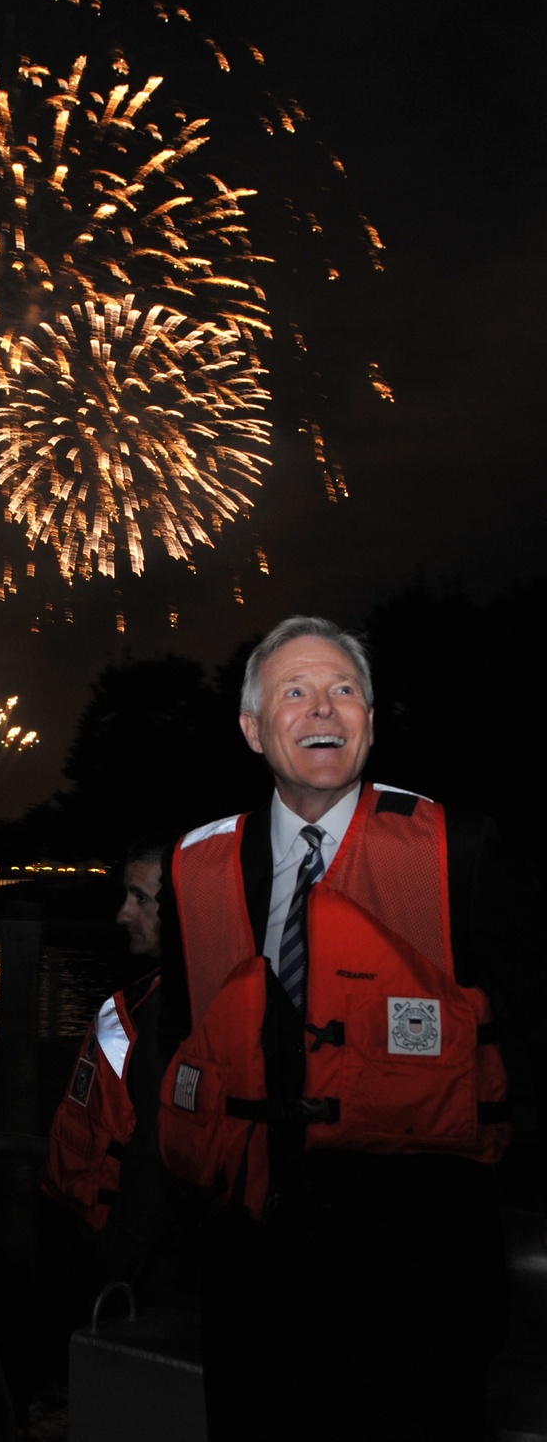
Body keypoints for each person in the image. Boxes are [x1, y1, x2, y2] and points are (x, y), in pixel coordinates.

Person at [159, 616, 546, 1442]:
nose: (323, 709)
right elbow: (178, 1049)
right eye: (293, 693)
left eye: (344, 690)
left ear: (370, 719)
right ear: (253, 728)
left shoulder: (462, 850)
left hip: (420, 1269)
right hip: (251, 1268)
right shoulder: (192, 867)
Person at [44, 837, 190, 1301]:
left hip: (143, 1260)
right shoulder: (164, 994)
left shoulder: (172, 1013)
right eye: (127, 896)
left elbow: (155, 1151)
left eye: (141, 899)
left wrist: (118, 1266)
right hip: (116, 1231)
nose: (123, 914)